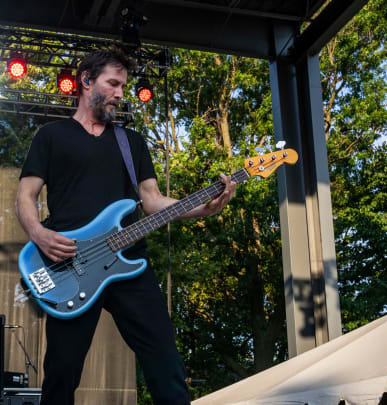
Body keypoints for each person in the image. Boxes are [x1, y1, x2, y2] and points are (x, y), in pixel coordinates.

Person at [15, 47, 236, 405]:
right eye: (113, 83)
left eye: (124, 86)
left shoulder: (131, 142)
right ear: (87, 81)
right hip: (69, 264)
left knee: (166, 363)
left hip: (129, 261)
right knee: (61, 372)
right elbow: (25, 197)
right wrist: (39, 234)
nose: (121, 93)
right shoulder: (51, 136)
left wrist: (203, 210)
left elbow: (152, 201)